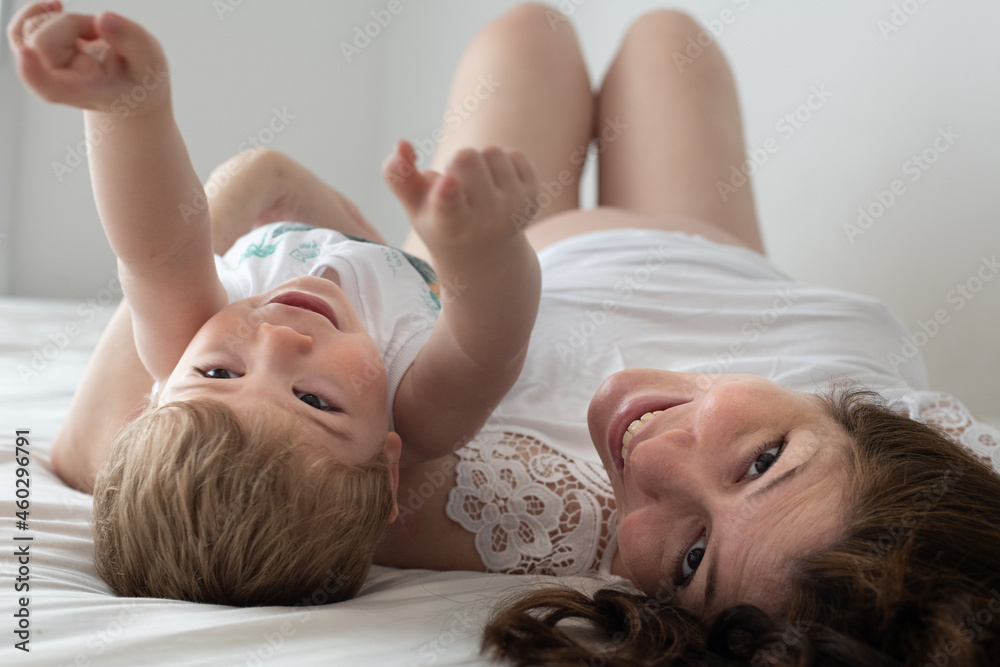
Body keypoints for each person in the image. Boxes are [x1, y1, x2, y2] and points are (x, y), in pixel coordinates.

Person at [22, 2, 1000, 664]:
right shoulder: (950, 493)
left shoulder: (409, 484)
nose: (660, 455)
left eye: (689, 558)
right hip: (712, 260)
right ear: (874, 429)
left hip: (494, 249)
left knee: (524, 30)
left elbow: (138, 438)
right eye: (761, 459)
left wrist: (136, 118)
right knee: (664, 34)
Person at [7, 1, 543, 605]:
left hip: (312, 239)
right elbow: (491, 341)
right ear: (388, 466)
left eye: (218, 373)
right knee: (530, 37)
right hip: (415, 268)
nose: (279, 341)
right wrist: (488, 252)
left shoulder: (181, 336)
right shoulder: (416, 414)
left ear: (157, 394)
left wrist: (126, 107)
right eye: (316, 400)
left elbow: (154, 245)